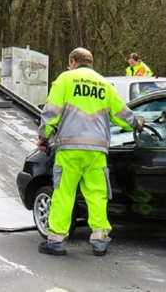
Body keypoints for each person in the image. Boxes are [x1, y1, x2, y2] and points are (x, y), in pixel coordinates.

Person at [36, 47, 144, 257]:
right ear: (91, 63)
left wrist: (43, 137)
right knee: (97, 195)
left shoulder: (65, 80)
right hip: (97, 151)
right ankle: (99, 240)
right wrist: (137, 124)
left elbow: (51, 113)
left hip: (70, 149)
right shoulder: (105, 85)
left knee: (64, 194)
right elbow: (122, 114)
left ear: (72, 61)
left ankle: (56, 241)